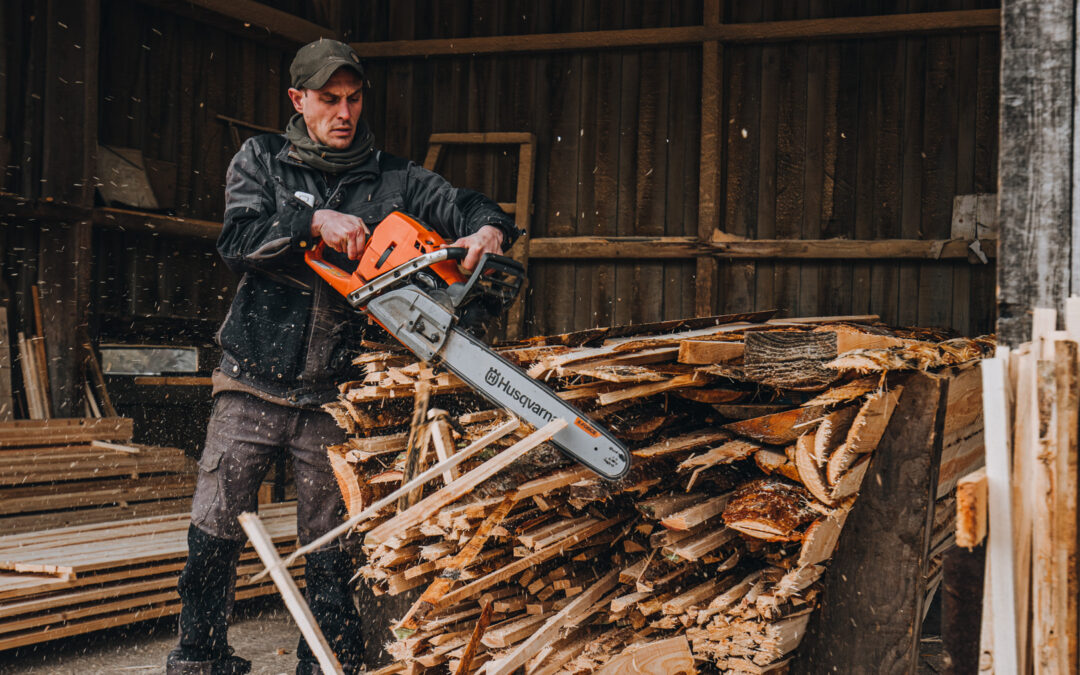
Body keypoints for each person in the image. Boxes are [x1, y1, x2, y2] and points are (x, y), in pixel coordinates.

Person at [166, 38, 518, 675]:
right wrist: (311, 224)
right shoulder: (263, 161)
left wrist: (488, 227)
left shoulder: (396, 177)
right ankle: (201, 656)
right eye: (329, 99)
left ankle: (326, 661)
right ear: (299, 100)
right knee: (214, 527)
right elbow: (238, 241)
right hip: (251, 378)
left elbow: (465, 203)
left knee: (330, 541)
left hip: (336, 391)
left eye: (353, 99)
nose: (344, 112)